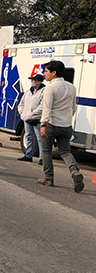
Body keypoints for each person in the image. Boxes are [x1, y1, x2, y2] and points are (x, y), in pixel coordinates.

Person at [39, 60, 84, 192]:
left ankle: (48, 178)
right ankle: (74, 171)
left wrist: (43, 124)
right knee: (65, 151)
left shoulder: (50, 88)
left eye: (46, 71)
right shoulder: (71, 87)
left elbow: (47, 108)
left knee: (46, 151)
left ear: (54, 73)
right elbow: (73, 107)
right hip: (66, 125)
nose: (44, 74)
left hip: (51, 124)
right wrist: (66, 118)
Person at [17, 73, 45, 163]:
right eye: (32, 80)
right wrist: (22, 113)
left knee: (40, 139)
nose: (32, 82)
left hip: (37, 119)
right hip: (27, 119)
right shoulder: (28, 92)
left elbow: (42, 106)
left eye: (34, 80)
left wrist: (32, 114)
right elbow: (21, 104)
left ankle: (42, 158)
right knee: (29, 137)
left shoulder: (44, 92)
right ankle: (28, 155)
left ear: (40, 82)